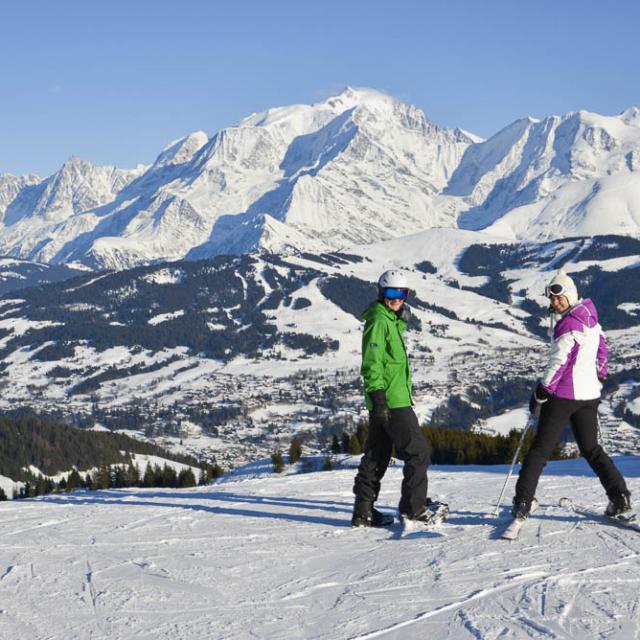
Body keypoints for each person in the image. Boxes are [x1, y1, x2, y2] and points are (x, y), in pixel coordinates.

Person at [512, 270, 631, 519]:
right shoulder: (591, 318)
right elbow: (602, 354)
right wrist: (599, 376)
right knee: (591, 449)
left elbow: (559, 362)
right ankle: (619, 497)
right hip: (588, 397)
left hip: (564, 396)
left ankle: (522, 502)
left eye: (559, 297)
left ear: (570, 294)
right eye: (552, 299)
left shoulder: (568, 325)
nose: (555, 303)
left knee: (540, 450)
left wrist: (542, 391)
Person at [351, 269, 433, 528]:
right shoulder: (379, 320)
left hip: (388, 399)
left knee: (378, 454)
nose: (397, 299)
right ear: (381, 292)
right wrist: (380, 399)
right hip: (391, 400)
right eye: (391, 293)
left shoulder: (390, 320)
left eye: (402, 294)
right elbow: (372, 363)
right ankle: (413, 508)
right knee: (418, 451)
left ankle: (363, 512)